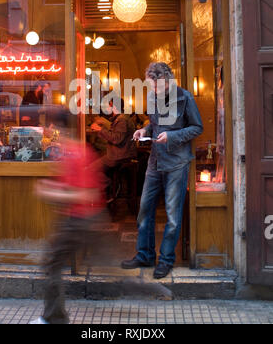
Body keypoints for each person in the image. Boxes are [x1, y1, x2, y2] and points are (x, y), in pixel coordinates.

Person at [121, 62, 203, 279]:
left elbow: (197, 127)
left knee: (172, 216)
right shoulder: (153, 97)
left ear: (166, 80)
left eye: (154, 85)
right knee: (144, 210)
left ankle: (166, 260)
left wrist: (173, 136)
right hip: (155, 162)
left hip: (177, 163)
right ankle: (145, 255)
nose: (152, 90)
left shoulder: (185, 97)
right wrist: (144, 129)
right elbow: (154, 124)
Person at [30, 109, 107, 324]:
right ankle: (54, 317)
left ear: (57, 128)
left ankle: (53, 318)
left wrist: (49, 191)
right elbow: (70, 185)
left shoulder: (75, 153)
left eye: (49, 126)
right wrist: (53, 186)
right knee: (55, 263)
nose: (47, 130)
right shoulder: (69, 151)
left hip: (81, 219)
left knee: (52, 264)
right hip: (78, 219)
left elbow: (86, 193)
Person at [90, 98, 137, 201]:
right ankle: (109, 187)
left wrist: (100, 129)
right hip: (119, 153)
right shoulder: (120, 118)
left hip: (119, 155)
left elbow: (117, 139)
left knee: (89, 170)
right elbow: (114, 137)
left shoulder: (122, 120)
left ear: (112, 105)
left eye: (108, 106)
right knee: (96, 161)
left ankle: (109, 188)